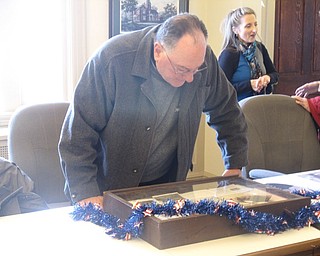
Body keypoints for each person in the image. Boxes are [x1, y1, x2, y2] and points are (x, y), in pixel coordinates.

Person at [58, 13, 248, 207]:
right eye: (182, 70)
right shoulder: (111, 60)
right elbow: (77, 136)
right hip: (108, 190)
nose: (191, 78)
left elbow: (227, 112)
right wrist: (85, 193)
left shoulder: (201, 60)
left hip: (168, 185)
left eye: (196, 70)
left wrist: (234, 163)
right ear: (158, 51)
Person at [218, 7, 279, 101]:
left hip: (261, 106)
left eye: (255, 24)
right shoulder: (229, 54)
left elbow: (275, 75)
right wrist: (250, 85)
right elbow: (220, 90)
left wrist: (268, 78)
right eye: (248, 26)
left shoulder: (260, 48)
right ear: (235, 30)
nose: (254, 30)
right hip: (236, 110)